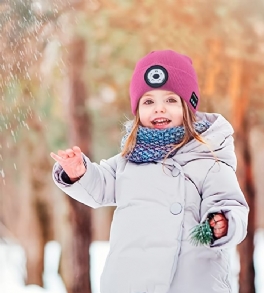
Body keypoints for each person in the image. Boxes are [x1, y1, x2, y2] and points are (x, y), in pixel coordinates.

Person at [51, 49, 249, 293]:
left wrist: (224, 222)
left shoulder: (208, 160)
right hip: (130, 282)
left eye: (170, 100)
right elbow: (100, 186)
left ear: (189, 107)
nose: (159, 109)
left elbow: (232, 205)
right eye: (148, 101)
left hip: (191, 284)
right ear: (137, 111)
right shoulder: (129, 160)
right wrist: (79, 172)